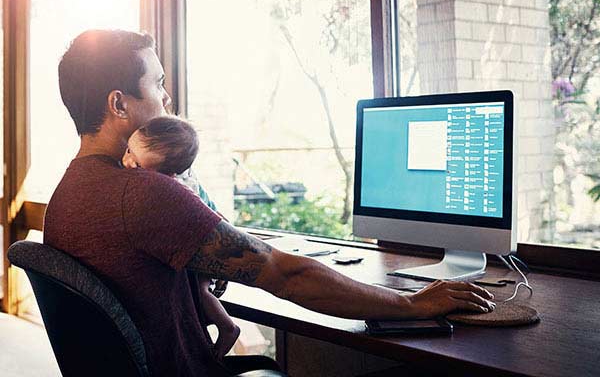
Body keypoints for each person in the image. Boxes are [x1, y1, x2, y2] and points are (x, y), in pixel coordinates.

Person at [44, 29, 495, 377]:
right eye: (158, 83)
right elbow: (286, 274)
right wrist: (413, 304)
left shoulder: (66, 196)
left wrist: (197, 296)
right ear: (119, 104)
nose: (168, 98)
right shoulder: (143, 193)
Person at [121, 115, 240, 359]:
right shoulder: (168, 176)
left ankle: (228, 328)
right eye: (128, 150)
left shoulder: (180, 192)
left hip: (202, 245)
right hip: (198, 242)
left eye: (139, 165)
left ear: (170, 175)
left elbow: (213, 220)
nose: (127, 162)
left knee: (201, 289)